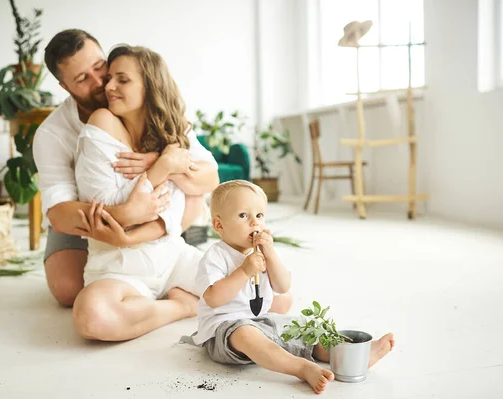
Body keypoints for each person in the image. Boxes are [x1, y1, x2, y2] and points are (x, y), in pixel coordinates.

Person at [33, 30, 216, 307]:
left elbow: (209, 177)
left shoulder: (151, 106)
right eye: (82, 79)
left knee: (191, 191)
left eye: (99, 68)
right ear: (65, 87)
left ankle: (163, 255)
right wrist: (123, 216)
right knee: (69, 291)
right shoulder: (53, 134)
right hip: (86, 221)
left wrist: (160, 161)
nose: (99, 84)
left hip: (158, 214)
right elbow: (59, 213)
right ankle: (162, 287)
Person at [191, 180, 395, 394]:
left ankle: (351, 356)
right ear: (219, 225)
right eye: (243, 216)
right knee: (246, 334)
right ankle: (301, 368)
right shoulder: (215, 257)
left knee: (301, 329)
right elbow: (213, 298)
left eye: (259, 216)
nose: (255, 223)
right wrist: (243, 272)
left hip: (259, 320)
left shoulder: (262, 251)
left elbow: (282, 286)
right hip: (223, 330)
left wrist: (270, 254)